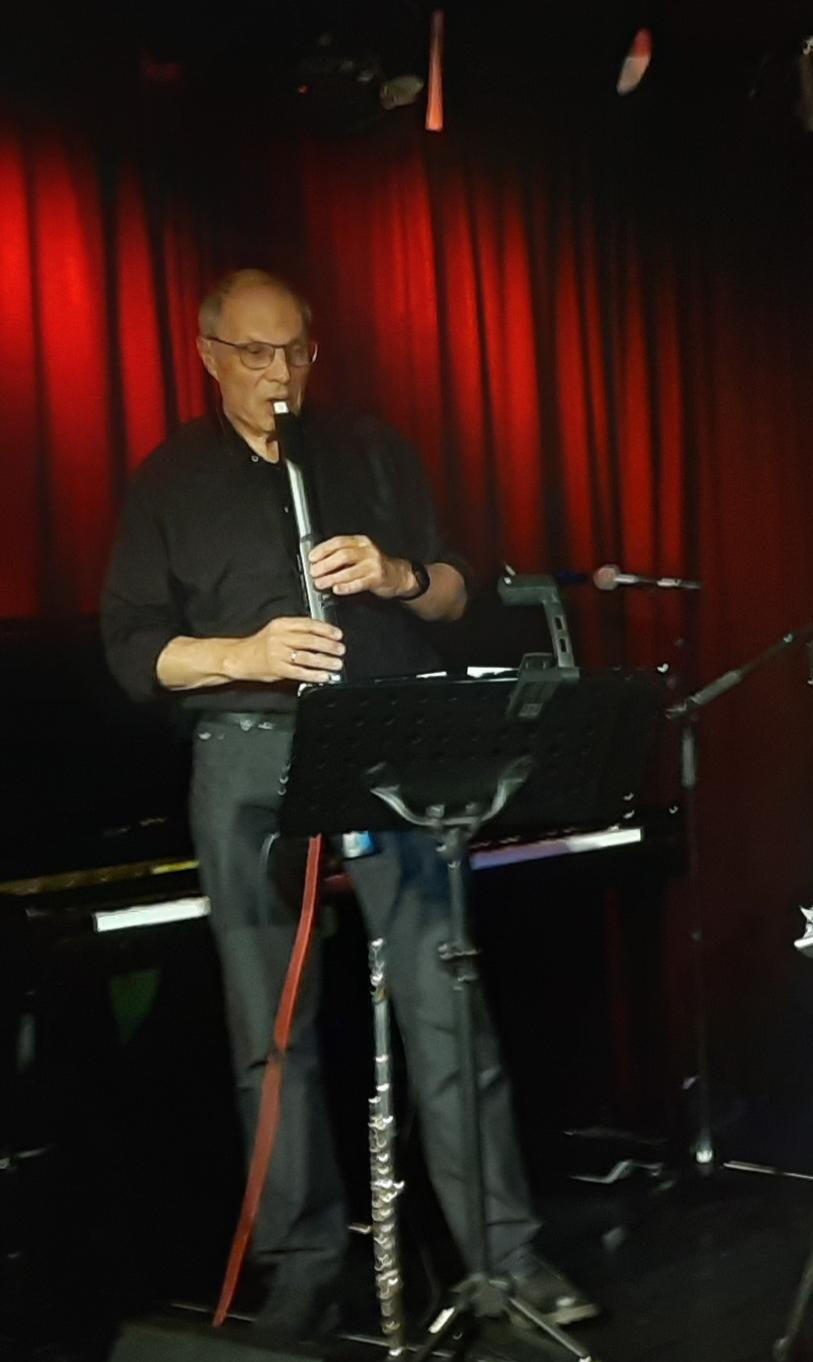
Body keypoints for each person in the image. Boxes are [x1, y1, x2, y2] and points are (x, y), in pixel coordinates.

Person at [99, 269, 592, 1339]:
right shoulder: (169, 479)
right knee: (269, 1031)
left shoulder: (369, 450)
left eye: (295, 351)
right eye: (254, 353)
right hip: (246, 752)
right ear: (208, 354)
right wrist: (243, 653)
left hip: (385, 741)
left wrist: (399, 574)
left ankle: (503, 1258)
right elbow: (132, 648)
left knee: (445, 1002)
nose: (279, 374)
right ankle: (303, 1266)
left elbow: (458, 589)